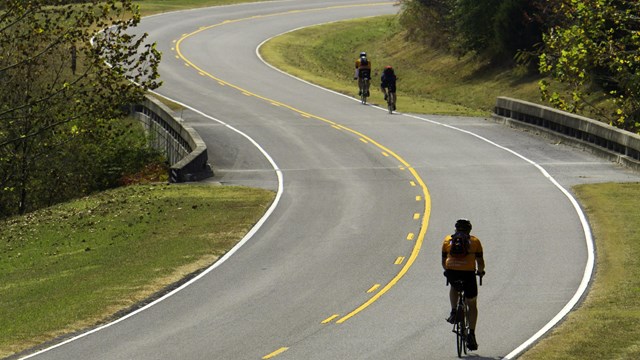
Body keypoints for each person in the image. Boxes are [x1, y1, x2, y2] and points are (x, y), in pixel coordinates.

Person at [442, 218, 485, 351]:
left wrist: (449, 270)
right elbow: (480, 261)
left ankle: (454, 311)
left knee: (454, 287)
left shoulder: (447, 240)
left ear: (455, 229)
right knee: (471, 303)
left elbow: (444, 261)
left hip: (452, 272)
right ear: (469, 230)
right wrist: (481, 272)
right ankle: (471, 334)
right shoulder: (475, 241)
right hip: (468, 274)